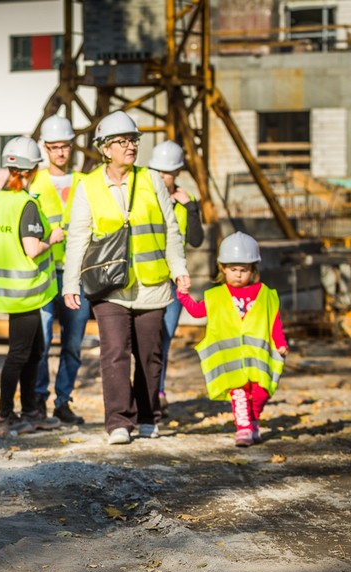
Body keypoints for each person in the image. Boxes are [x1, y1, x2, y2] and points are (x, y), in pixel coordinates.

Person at [62, 111, 190, 445]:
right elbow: (77, 237)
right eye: (122, 141)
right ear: (105, 148)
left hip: (152, 285)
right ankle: (118, 421)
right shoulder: (88, 186)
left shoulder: (150, 180)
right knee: (114, 351)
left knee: (149, 354)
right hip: (110, 286)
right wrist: (70, 283)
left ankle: (149, 417)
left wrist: (180, 270)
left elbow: (171, 230)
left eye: (133, 140)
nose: (130, 146)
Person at [177, 232, 287, 447]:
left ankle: (253, 419)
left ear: (253, 270)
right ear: (223, 269)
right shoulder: (216, 296)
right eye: (233, 269)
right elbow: (198, 312)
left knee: (261, 392)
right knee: (239, 395)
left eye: (244, 270)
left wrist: (280, 343)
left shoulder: (264, 294)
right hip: (232, 360)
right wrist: (183, 295)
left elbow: (274, 321)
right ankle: (244, 427)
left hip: (258, 358)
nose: (238, 275)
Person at [0, 136, 64, 434]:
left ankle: (30, 410)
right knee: (21, 354)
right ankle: (8, 415)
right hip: (28, 291)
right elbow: (32, 248)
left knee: (33, 351)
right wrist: (52, 239)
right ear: (32, 171)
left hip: (8, 290)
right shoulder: (26, 204)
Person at [30, 114, 88, 425]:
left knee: (73, 343)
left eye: (64, 146)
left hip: (76, 274)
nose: (60, 153)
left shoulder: (85, 182)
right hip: (44, 273)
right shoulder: (33, 183)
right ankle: (38, 399)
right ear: (45, 149)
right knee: (42, 342)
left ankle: (63, 401)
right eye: (53, 147)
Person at [148, 140, 204, 409]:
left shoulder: (187, 202)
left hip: (172, 283)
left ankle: (158, 392)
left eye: (166, 173)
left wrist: (190, 209)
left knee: (164, 339)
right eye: (157, 172)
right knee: (146, 340)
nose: (161, 177)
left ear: (177, 173)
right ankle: (145, 392)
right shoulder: (144, 197)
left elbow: (196, 241)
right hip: (147, 278)